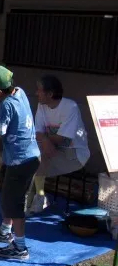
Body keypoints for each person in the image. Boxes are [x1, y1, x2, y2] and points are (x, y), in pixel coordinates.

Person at [0, 65, 40, 260]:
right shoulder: (20, 92)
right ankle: (4, 231)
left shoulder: (5, 105)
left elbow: (0, 132)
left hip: (21, 161)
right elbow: (13, 113)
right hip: (26, 157)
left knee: (14, 203)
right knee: (9, 196)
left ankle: (20, 248)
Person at [28, 75, 90, 213]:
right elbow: (36, 132)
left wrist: (44, 139)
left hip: (74, 154)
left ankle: (38, 198)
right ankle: (34, 198)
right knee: (30, 157)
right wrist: (45, 140)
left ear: (50, 94)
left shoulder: (70, 107)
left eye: (39, 90)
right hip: (51, 149)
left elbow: (63, 138)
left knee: (37, 159)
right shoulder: (42, 106)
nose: (36, 93)